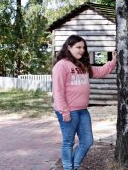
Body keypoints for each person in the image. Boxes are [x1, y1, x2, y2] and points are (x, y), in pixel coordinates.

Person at [52, 35, 117, 170]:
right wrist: (64, 111)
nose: (81, 50)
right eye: (78, 47)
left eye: (83, 48)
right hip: (68, 110)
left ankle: (73, 166)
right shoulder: (61, 66)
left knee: (87, 141)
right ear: (69, 47)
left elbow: (100, 71)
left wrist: (113, 61)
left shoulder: (82, 64)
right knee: (68, 142)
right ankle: (68, 167)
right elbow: (58, 91)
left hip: (82, 110)